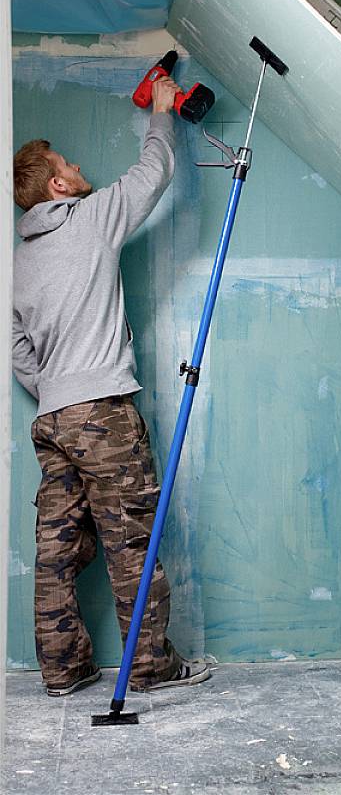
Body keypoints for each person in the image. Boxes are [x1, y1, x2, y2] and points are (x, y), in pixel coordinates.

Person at [12, 75, 209, 696]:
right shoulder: (90, 219)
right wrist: (160, 109)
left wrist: (51, 387)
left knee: (58, 549)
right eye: (70, 164)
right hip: (102, 416)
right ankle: (149, 666)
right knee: (132, 542)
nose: (79, 166)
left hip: (53, 421)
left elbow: (15, 345)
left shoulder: (18, 262)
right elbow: (153, 173)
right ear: (58, 186)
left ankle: (63, 672)